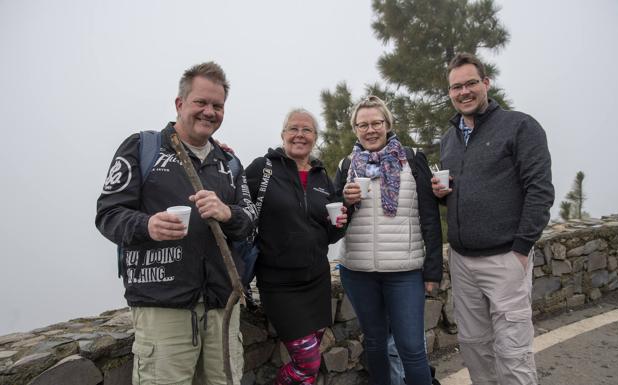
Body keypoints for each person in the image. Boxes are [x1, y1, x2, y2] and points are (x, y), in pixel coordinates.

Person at [95, 62, 256, 385]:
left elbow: (250, 219)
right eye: (201, 102)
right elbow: (108, 214)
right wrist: (147, 226)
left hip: (222, 305)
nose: (209, 111)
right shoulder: (142, 148)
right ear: (180, 104)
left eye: (217, 106)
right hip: (163, 306)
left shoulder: (229, 163)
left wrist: (227, 213)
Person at [432, 52, 554, 385]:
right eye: (456, 87)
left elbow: (540, 191)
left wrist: (521, 248)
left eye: (471, 83)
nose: (464, 92)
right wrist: (442, 196)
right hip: (462, 261)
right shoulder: (449, 138)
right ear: (450, 93)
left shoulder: (520, 126)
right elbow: (466, 196)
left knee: (513, 354)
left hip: (505, 259)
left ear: (486, 83)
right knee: (474, 349)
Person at [335, 95, 443, 385]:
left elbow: (429, 218)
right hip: (358, 272)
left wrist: (433, 270)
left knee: (411, 348)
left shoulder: (412, 159)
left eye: (376, 123)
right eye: (363, 125)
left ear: (387, 124)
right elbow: (333, 222)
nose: (370, 130)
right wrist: (346, 201)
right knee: (375, 344)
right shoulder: (348, 165)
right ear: (355, 129)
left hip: (405, 272)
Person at [245, 108, 348, 385]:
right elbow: (236, 207)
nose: (300, 135)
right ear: (283, 134)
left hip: (316, 279)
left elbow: (328, 234)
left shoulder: (321, 177)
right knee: (307, 363)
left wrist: (341, 222)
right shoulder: (262, 169)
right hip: (278, 284)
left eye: (307, 130)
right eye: (294, 128)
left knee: (310, 361)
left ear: (315, 137)